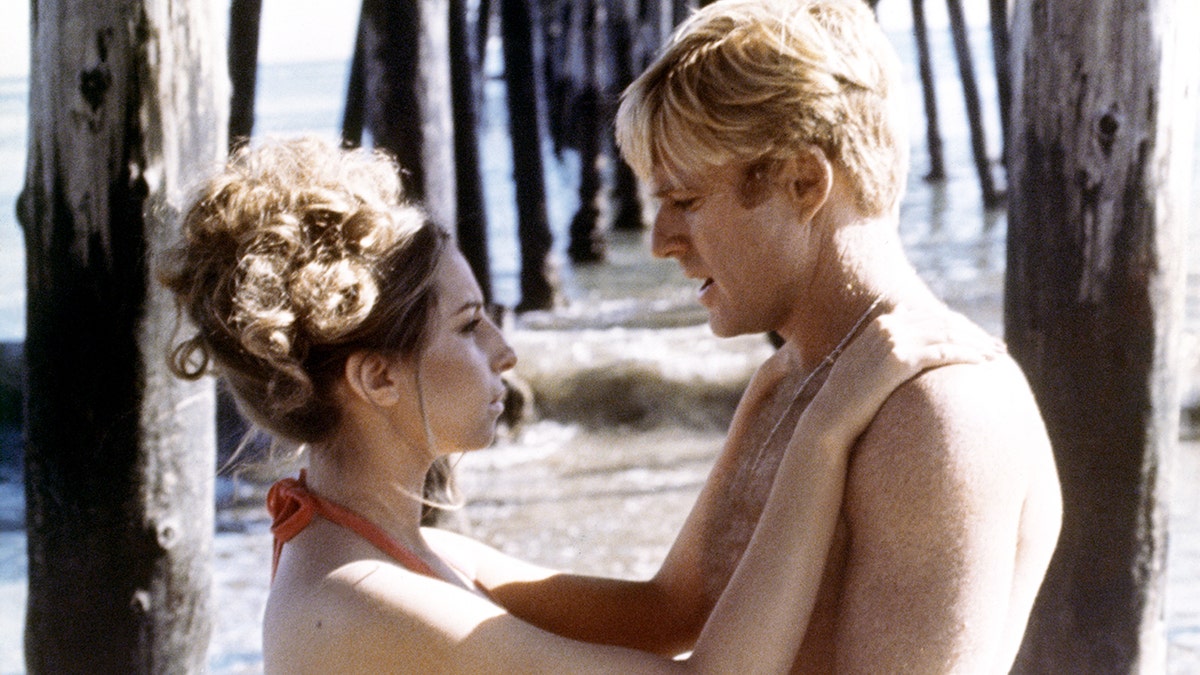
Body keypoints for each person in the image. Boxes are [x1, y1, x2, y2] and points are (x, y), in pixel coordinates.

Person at [161, 136, 996, 673]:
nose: (504, 349)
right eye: (469, 325)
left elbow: (671, 608)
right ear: (376, 378)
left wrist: (777, 382)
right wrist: (820, 435)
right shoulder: (356, 598)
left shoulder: (393, 548)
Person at [473, 0, 1062, 671]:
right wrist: (396, 553)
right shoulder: (793, 375)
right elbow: (668, 609)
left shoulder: (935, 412)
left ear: (803, 180)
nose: (662, 240)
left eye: (687, 202)